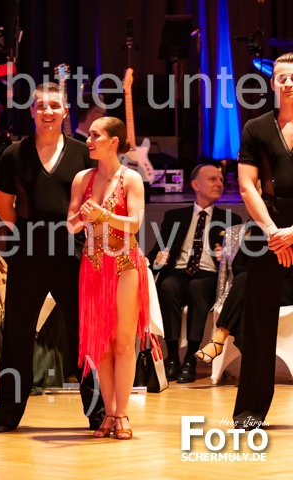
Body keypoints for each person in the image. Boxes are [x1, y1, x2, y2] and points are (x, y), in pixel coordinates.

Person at [0, 82, 105, 434]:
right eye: (41, 106)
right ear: (32, 111)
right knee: (18, 335)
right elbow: (2, 206)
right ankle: (7, 414)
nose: (48, 111)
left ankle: (98, 413)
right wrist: (29, 232)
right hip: (27, 253)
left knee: (82, 333)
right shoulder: (14, 154)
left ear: (65, 110)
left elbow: (99, 198)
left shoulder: (83, 152)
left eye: (54, 105)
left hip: (73, 253)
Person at [67, 117, 149, 439]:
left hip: (125, 264)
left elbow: (135, 224)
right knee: (100, 344)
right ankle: (109, 412)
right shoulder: (82, 178)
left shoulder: (131, 179)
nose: (88, 141)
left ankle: (122, 413)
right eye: (89, 135)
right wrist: (81, 216)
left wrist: (103, 214)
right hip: (93, 265)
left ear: (114, 142)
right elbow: (71, 225)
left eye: (95, 135)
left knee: (124, 341)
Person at [233, 52, 293, 429]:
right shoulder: (256, 127)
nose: (289, 83)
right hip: (268, 228)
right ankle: (250, 412)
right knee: (259, 323)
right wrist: (273, 232)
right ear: (272, 83)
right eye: (282, 77)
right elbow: (246, 186)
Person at [146, 164, 241, 383]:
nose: (219, 184)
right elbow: (155, 254)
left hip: (208, 274)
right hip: (179, 272)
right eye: (212, 179)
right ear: (196, 185)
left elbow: (237, 263)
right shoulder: (174, 216)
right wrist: (158, 259)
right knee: (169, 286)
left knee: (197, 287)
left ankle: (190, 358)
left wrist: (227, 258)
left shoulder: (230, 219)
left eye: (221, 180)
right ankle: (172, 358)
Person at [195, 223, 293, 364]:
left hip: (285, 287)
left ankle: (220, 340)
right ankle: (245, 352)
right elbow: (237, 267)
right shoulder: (254, 233)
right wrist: (259, 275)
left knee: (246, 290)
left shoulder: (288, 233)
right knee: (243, 281)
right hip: (257, 287)